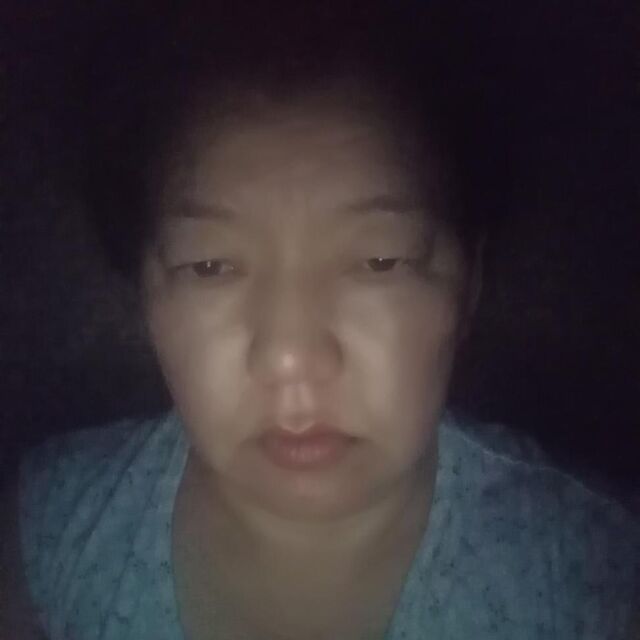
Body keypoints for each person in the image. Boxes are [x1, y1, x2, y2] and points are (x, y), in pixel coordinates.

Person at [1, 2, 638, 639]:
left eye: (380, 260)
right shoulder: (52, 529)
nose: (290, 357)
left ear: (467, 283)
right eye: (210, 266)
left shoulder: (590, 572)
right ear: (143, 288)